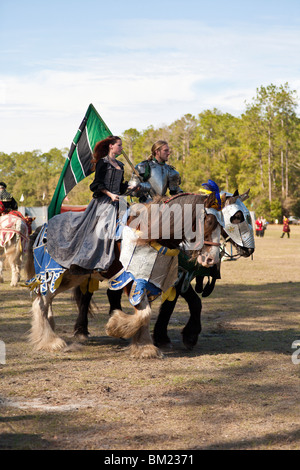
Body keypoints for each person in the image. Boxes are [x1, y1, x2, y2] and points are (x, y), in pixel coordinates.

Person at [47, 136, 132, 272]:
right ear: (111, 146)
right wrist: (110, 194)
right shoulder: (102, 163)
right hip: (104, 201)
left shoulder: (120, 165)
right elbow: (96, 184)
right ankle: (96, 261)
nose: (121, 148)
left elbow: (121, 188)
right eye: (119, 145)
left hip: (120, 202)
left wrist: (131, 188)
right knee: (103, 227)